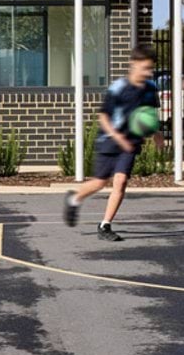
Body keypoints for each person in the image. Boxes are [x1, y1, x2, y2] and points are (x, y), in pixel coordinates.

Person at [63, 44, 158, 242]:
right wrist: (117, 137)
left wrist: (156, 133)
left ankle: (105, 225)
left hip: (130, 143)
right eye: (145, 67)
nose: (148, 72)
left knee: (121, 182)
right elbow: (103, 117)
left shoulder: (150, 89)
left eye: (151, 68)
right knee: (99, 182)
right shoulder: (118, 88)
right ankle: (74, 198)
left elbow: (148, 115)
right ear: (134, 64)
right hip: (109, 140)